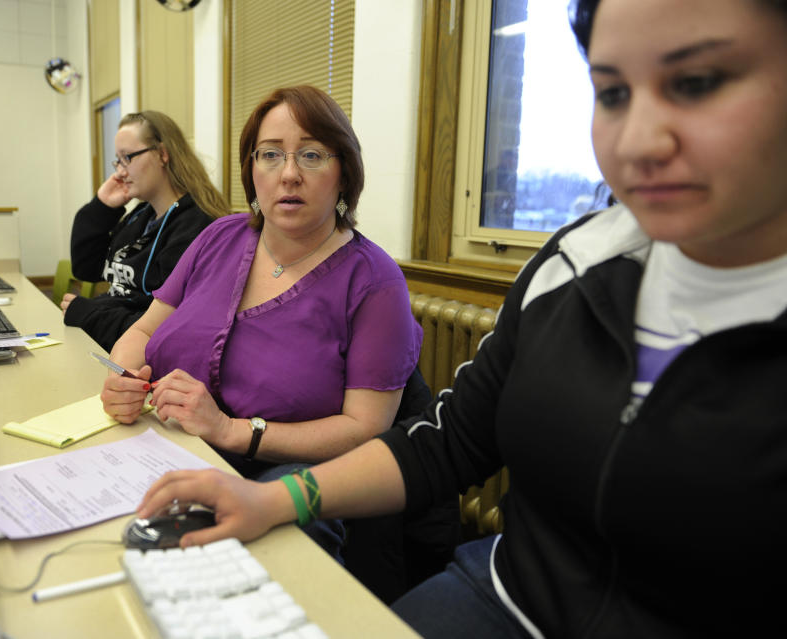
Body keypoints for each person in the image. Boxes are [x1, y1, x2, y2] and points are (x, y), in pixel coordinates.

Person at [133, 0, 787, 636]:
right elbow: (449, 442)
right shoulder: (573, 263)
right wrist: (273, 499)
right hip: (506, 597)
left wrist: (244, 442)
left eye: (697, 83)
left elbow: (365, 424)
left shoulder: (369, 276)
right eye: (613, 93)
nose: (640, 140)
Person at [100, 85, 423, 559]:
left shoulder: (375, 281)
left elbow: (366, 430)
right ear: (252, 170)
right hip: (170, 451)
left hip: (279, 485)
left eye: (312, 155)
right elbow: (143, 331)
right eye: (271, 155)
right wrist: (123, 379)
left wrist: (231, 429)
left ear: (344, 173)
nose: (289, 174)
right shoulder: (219, 236)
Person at [62, 110, 230, 352]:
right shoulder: (142, 215)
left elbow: (165, 331)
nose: (120, 171)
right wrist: (101, 206)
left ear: (162, 154)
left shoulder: (196, 227)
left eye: (127, 157)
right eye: (118, 161)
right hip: (108, 343)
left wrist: (90, 314)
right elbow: (86, 268)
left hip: (139, 361)